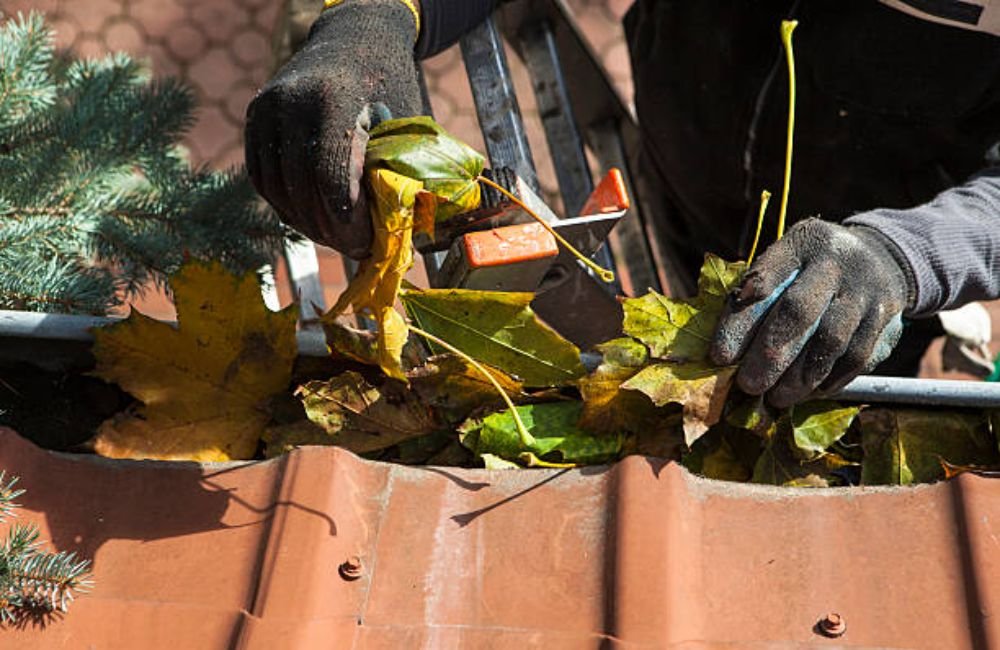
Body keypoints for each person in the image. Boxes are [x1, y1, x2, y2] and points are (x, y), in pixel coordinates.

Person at [245, 0, 1000, 407]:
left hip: (876, 256)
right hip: (690, 154)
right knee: (704, 280)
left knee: (820, 367)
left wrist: (909, 257)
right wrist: (380, 12)